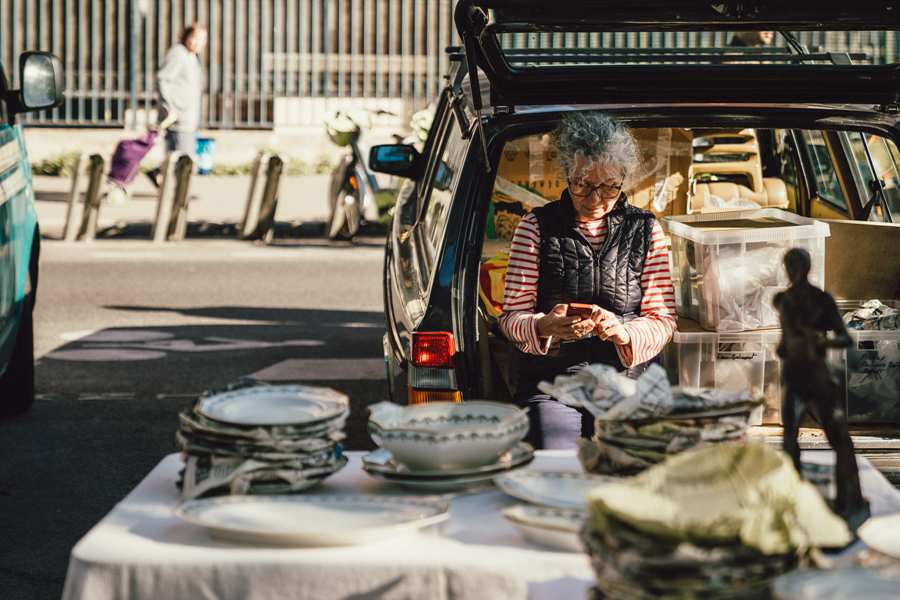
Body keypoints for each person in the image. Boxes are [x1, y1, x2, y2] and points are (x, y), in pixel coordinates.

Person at [499, 112, 677, 449]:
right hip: (552, 385)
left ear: (624, 178)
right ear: (566, 173)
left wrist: (624, 332)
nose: (594, 199)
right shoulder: (534, 227)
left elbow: (664, 319)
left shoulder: (646, 229)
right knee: (558, 458)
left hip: (629, 383)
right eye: (582, 184)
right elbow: (510, 319)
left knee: (627, 460)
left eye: (609, 186)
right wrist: (544, 326)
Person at [773, 248, 869, 531]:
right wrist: (784, 345)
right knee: (789, 437)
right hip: (793, 375)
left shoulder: (822, 301)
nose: (791, 271)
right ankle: (792, 501)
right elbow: (785, 334)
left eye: (796, 266)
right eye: (787, 266)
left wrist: (822, 344)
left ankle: (849, 499)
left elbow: (845, 339)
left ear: (806, 268)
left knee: (837, 434)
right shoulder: (783, 300)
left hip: (817, 375)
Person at [146, 22, 208, 187]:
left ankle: (159, 174)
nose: (198, 42)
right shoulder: (178, 53)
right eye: (195, 37)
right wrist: (169, 107)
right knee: (183, 157)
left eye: (203, 39)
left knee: (177, 154)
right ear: (186, 37)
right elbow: (162, 78)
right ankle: (181, 193)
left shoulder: (191, 57)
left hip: (188, 116)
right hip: (178, 116)